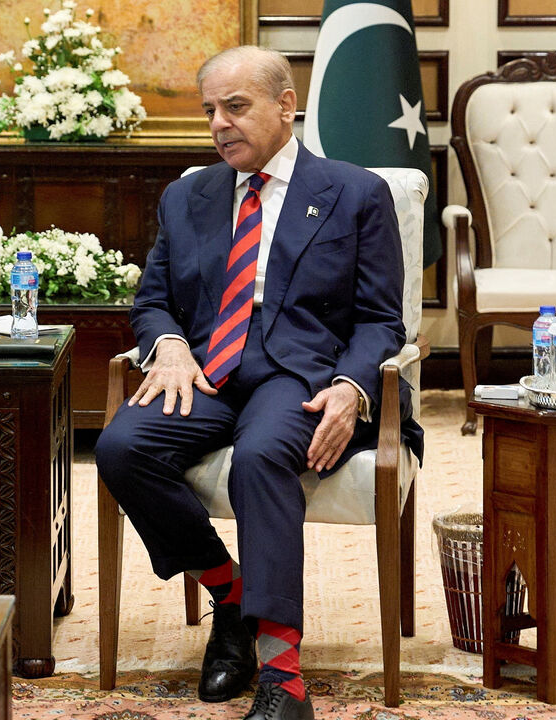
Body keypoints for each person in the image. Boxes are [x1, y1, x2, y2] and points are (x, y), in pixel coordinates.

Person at [95, 46, 423, 720]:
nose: (219, 124)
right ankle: (231, 596)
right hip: (208, 371)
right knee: (122, 447)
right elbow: (153, 299)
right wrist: (170, 345)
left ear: (285, 105)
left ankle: (283, 675)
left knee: (262, 456)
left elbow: (381, 319)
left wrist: (353, 387)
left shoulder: (354, 192)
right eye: (210, 110)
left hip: (299, 374)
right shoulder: (188, 194)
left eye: (235, 107)